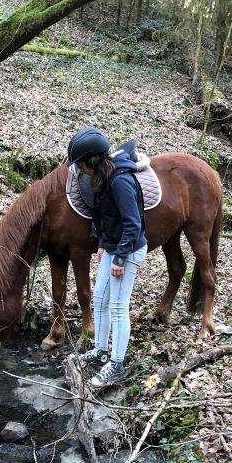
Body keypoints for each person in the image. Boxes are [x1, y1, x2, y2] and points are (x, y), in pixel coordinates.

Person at [68, 128, 148, 388]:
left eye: (80, 164)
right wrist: (103, 243)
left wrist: (120, 258)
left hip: (129, 248)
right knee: (100, 298)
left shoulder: (120, 181)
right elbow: (103, 216)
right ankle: (101, 350)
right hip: (113, 246)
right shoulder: (102, 178)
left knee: (117, 305)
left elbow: (133, 224)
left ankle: (116, 364)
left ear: (91, 161)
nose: (79, 169)